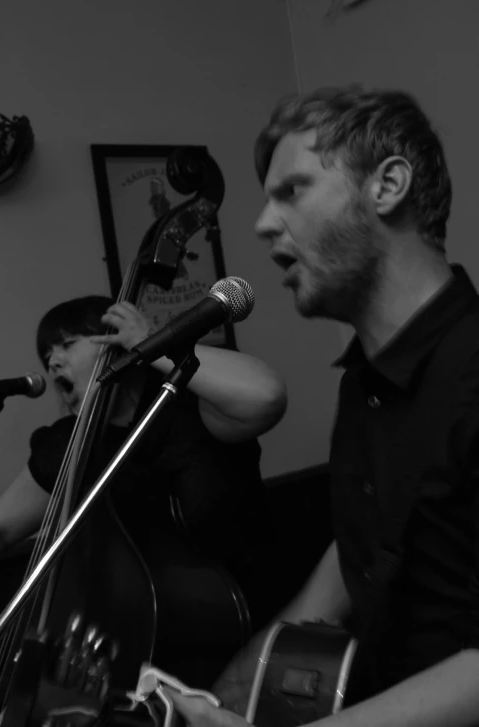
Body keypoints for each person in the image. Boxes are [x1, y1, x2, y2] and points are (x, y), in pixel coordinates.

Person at [167, 85, 479, 727]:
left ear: (387, 186)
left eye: (293, 190)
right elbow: (375, 536)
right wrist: (255, 663)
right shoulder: (363, 380)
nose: (261, 223)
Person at [0, 295, 290, 683]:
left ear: (117, 342)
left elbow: (265, 396)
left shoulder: (193, 408)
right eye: (46, 354)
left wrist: (154, 344)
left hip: (250, 629)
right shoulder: (70, 444)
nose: (52, 362)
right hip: (145, 654)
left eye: (67, 345)